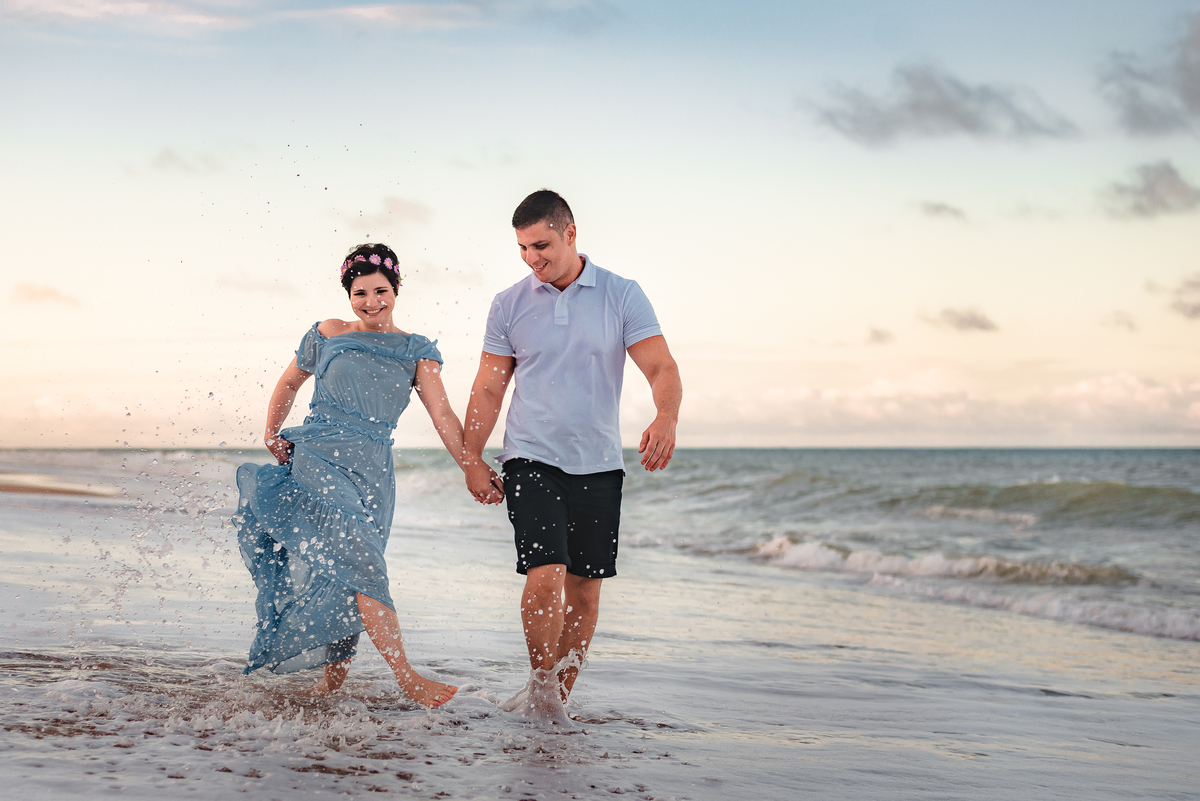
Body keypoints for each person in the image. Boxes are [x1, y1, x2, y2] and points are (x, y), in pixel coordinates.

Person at [461, 190, 682, 718]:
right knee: (546, 575)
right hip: (531, 456)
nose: (532, 258)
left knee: (585, 591)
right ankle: (542, 689)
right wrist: (472, 459)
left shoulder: (621, 294)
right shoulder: (508, 304)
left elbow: (661, 368)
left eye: (542, 245)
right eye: (522, 249)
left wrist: (666, 416)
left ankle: (557, 700)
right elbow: (488, 389)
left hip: (600, 462)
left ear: (571, 233)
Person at [234, 243, 464, 708]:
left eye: (381, 290)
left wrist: (473, 465)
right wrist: (271, 431)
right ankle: (409, 680)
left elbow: (442, 414)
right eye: (361, 292)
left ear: (397, 289)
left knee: (344, 572)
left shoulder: (417, 351)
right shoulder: (327, 333)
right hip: (319, 458)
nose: (371, 301)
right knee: (364, 569)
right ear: (349, 292)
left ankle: (331, 685)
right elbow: (290, 382)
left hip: (374, 472)